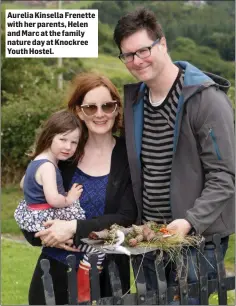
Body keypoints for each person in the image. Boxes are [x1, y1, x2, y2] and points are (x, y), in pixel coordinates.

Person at [113, 7, 235, 304]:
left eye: (143, 50)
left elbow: (225, 176)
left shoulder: (206, 100)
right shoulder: (136, 101)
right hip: (149, 238)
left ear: (162, 43)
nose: (136, 61)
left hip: (196, 239)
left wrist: (190, 222)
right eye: (127, 55)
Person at [20, 73, 138, 305]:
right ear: (78, 111)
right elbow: (31, 203)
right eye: (91, 107)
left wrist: (73, 228)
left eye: (107, 106)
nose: (100, 114)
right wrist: (44, 236)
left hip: (109, 277)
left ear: (116, 109)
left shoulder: (129, 155)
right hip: (55, 272)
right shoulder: (64, 154)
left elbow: (126, 216)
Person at [14, 110, 105, 272]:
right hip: (44, 217)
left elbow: (23, 184)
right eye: (62, 139)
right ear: (50, 137)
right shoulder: (48, 166)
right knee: (78, 228)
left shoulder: (37, 160)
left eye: (74, 142)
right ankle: (90, 259)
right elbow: (53, 200)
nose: (68, 147)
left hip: (32, 214)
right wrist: (69, 198)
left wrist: (35, 193)